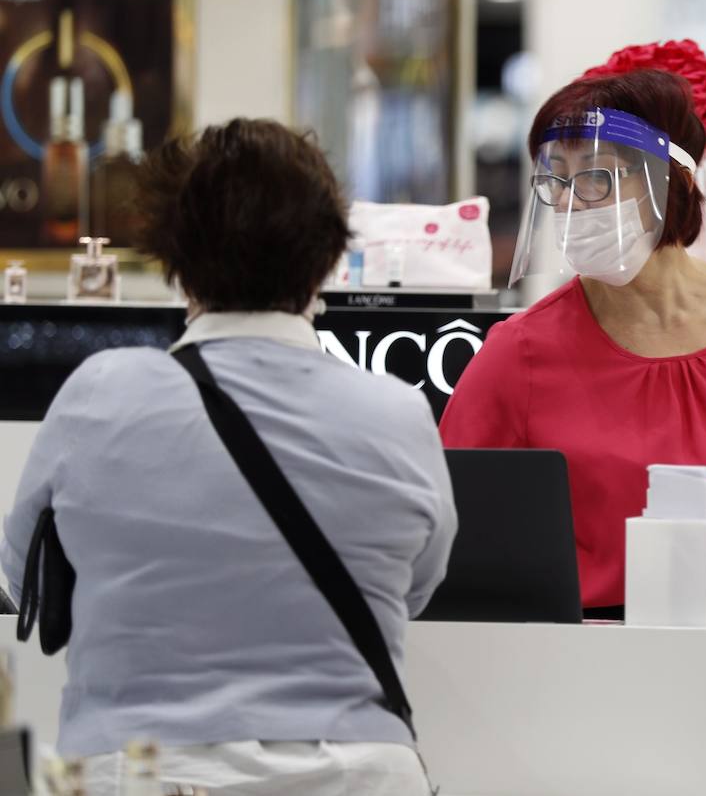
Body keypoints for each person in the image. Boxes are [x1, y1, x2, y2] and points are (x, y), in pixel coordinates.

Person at [2, 119, 457, 795]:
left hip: (141, 771)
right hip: (357, 774)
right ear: (329, 255)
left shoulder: (99, 396)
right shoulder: (397, 415)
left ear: (171, 256)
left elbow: (20, 577)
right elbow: (417, 584)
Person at [440, 69, 706, 627]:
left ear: (670, 181)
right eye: (556, 179)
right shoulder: (517, 353)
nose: (573, 204)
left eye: (597, 178)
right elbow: (449, 537)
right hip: (578, 662)